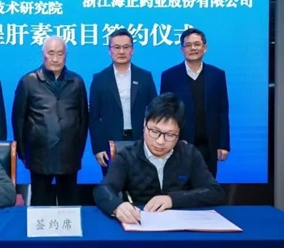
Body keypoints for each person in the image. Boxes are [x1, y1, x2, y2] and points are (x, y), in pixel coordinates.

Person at [93, 93, 225, 224]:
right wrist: (117, 206)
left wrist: (172, 200)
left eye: (170, 135)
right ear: (144, 124)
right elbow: (103, 189)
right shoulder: (127, 156)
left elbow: (215, 192)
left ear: (179, 132)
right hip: (140, 224)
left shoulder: (189, 154)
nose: (160, 141)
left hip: (180, 227)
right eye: (155, 132)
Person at [12, 36, 89, 206]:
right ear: (43, 54)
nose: (55, 59)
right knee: (41, 204)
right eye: (51, 53)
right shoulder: (28, 81)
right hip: (39, 155)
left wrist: (78, 150)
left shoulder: (77, 82)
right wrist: (24, 154)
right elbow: (18, 120)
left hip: (69, 154)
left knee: (69, 205)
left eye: (60, 54)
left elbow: (83, 119)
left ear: (66, 56)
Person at [160, 28, 230, 178]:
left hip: (209, 144)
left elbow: (222, 111)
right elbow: (165, 113)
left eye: (197, 44)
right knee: (180, 185)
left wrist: (223, 144)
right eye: (188, 45)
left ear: (205, 47)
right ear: (182, 50)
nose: (193, 48)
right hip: (180, 144)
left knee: (207, 184)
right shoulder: (169, 76)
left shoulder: (217, 75)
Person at [89, 28, 157, 176]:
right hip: (111, 144)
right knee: (113, 184)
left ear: (132, 50)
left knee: (142, 183)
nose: (121, 51)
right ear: (109, 50)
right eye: (116, 47)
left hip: (142, 142)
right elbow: (93, 117)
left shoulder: (145, 77)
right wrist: (98, 147)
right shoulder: (99, 79)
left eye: (126, 47)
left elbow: (155, 111)